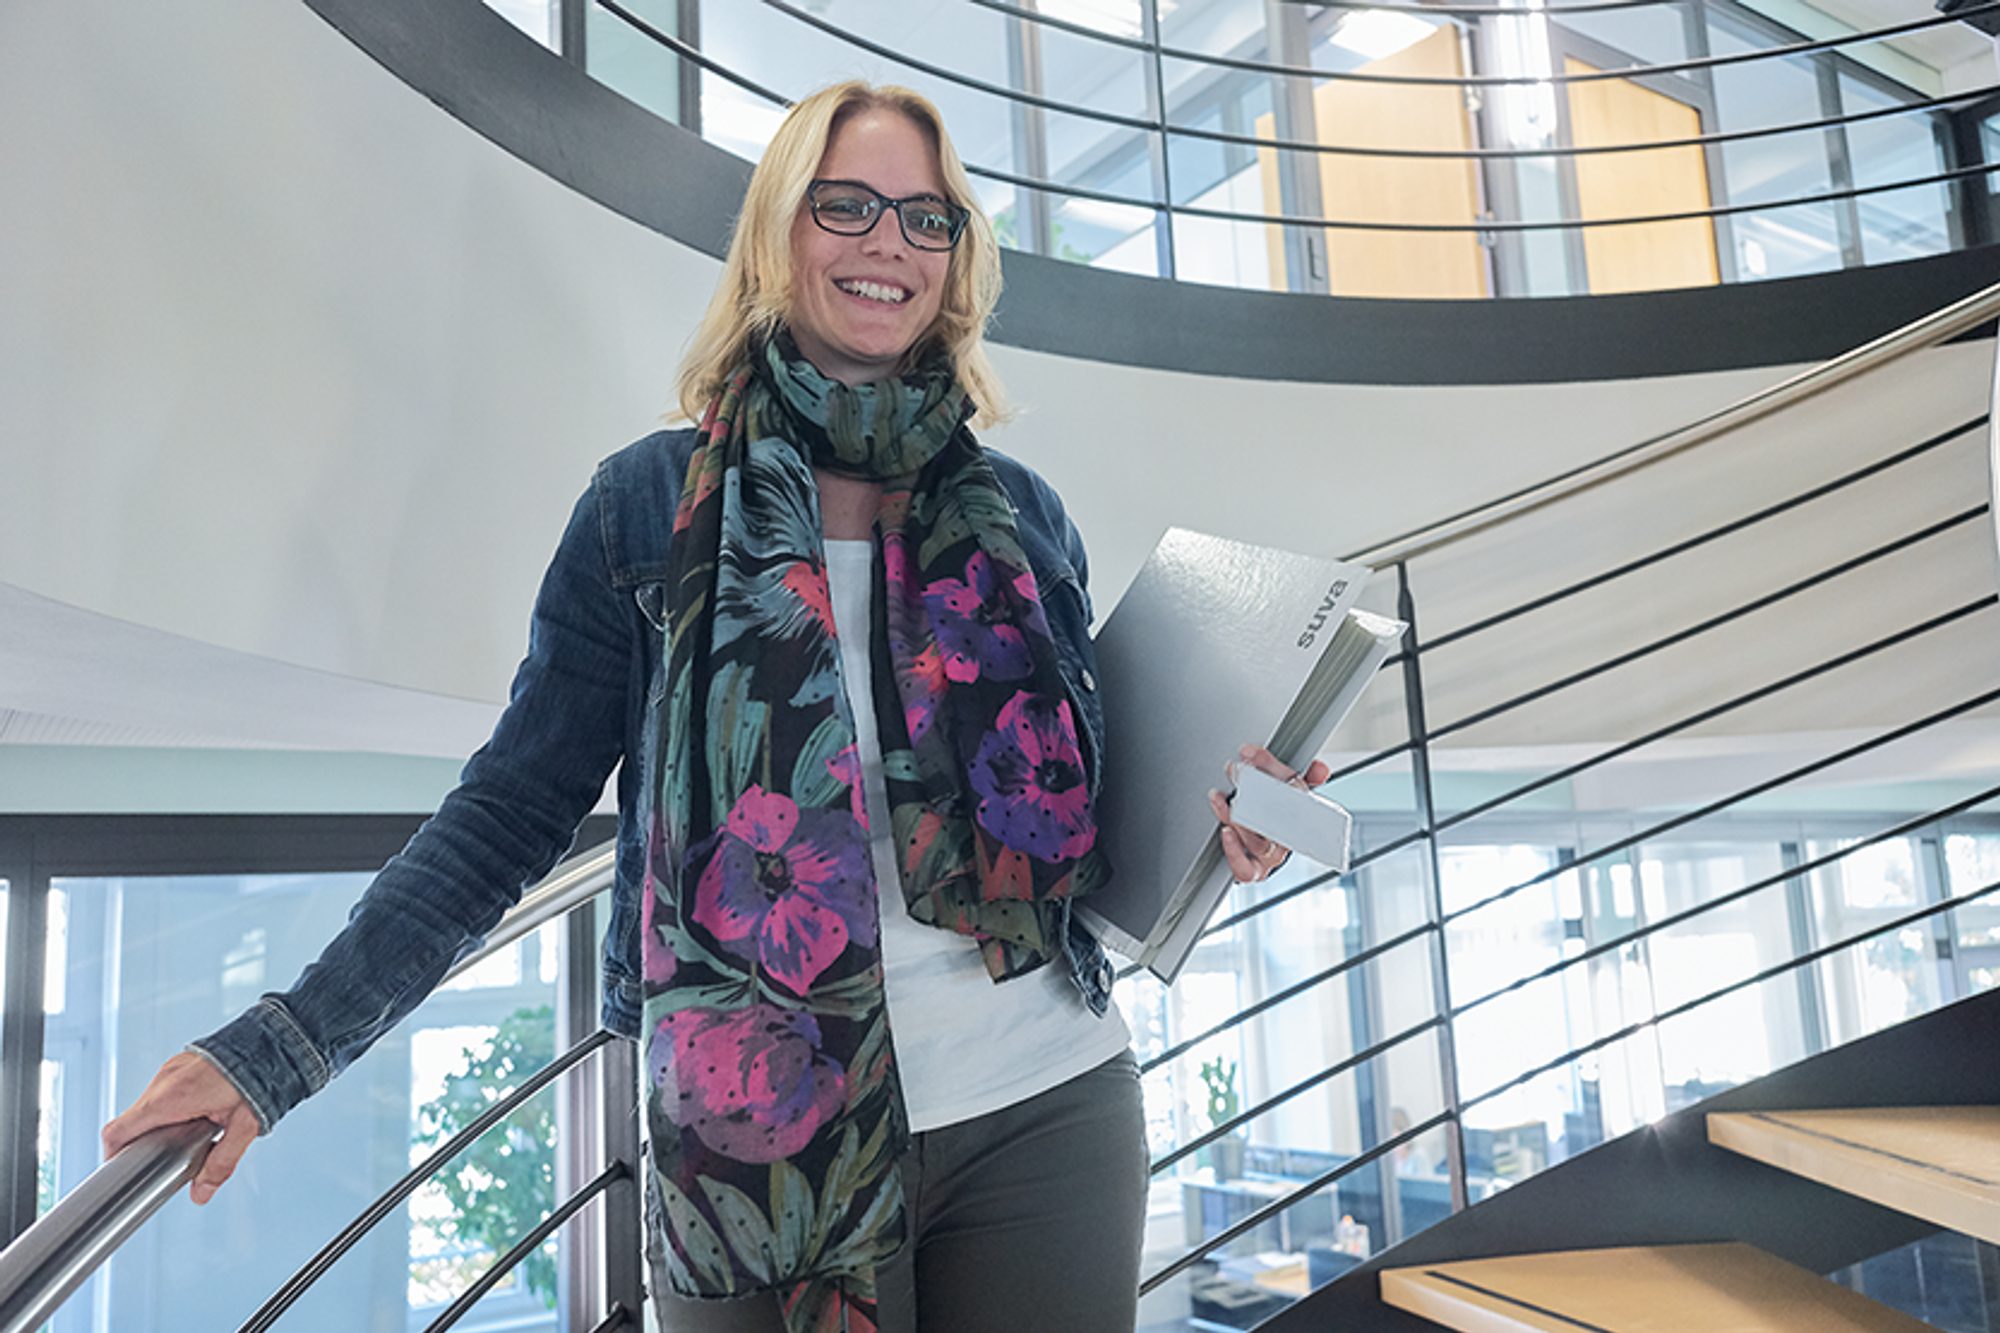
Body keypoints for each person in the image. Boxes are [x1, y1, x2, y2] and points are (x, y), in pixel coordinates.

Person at [102, 80, 1326, 1333]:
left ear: (955, 259)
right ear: (777, 232)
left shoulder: (1019, 514)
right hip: (750, 1133)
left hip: (1047, 1105)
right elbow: (508, 811)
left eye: (925, 217)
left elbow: (1084, 805)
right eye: (845, 205)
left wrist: (1227, 816)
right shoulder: (645, 505)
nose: (888, 243)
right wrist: (280, 1050)